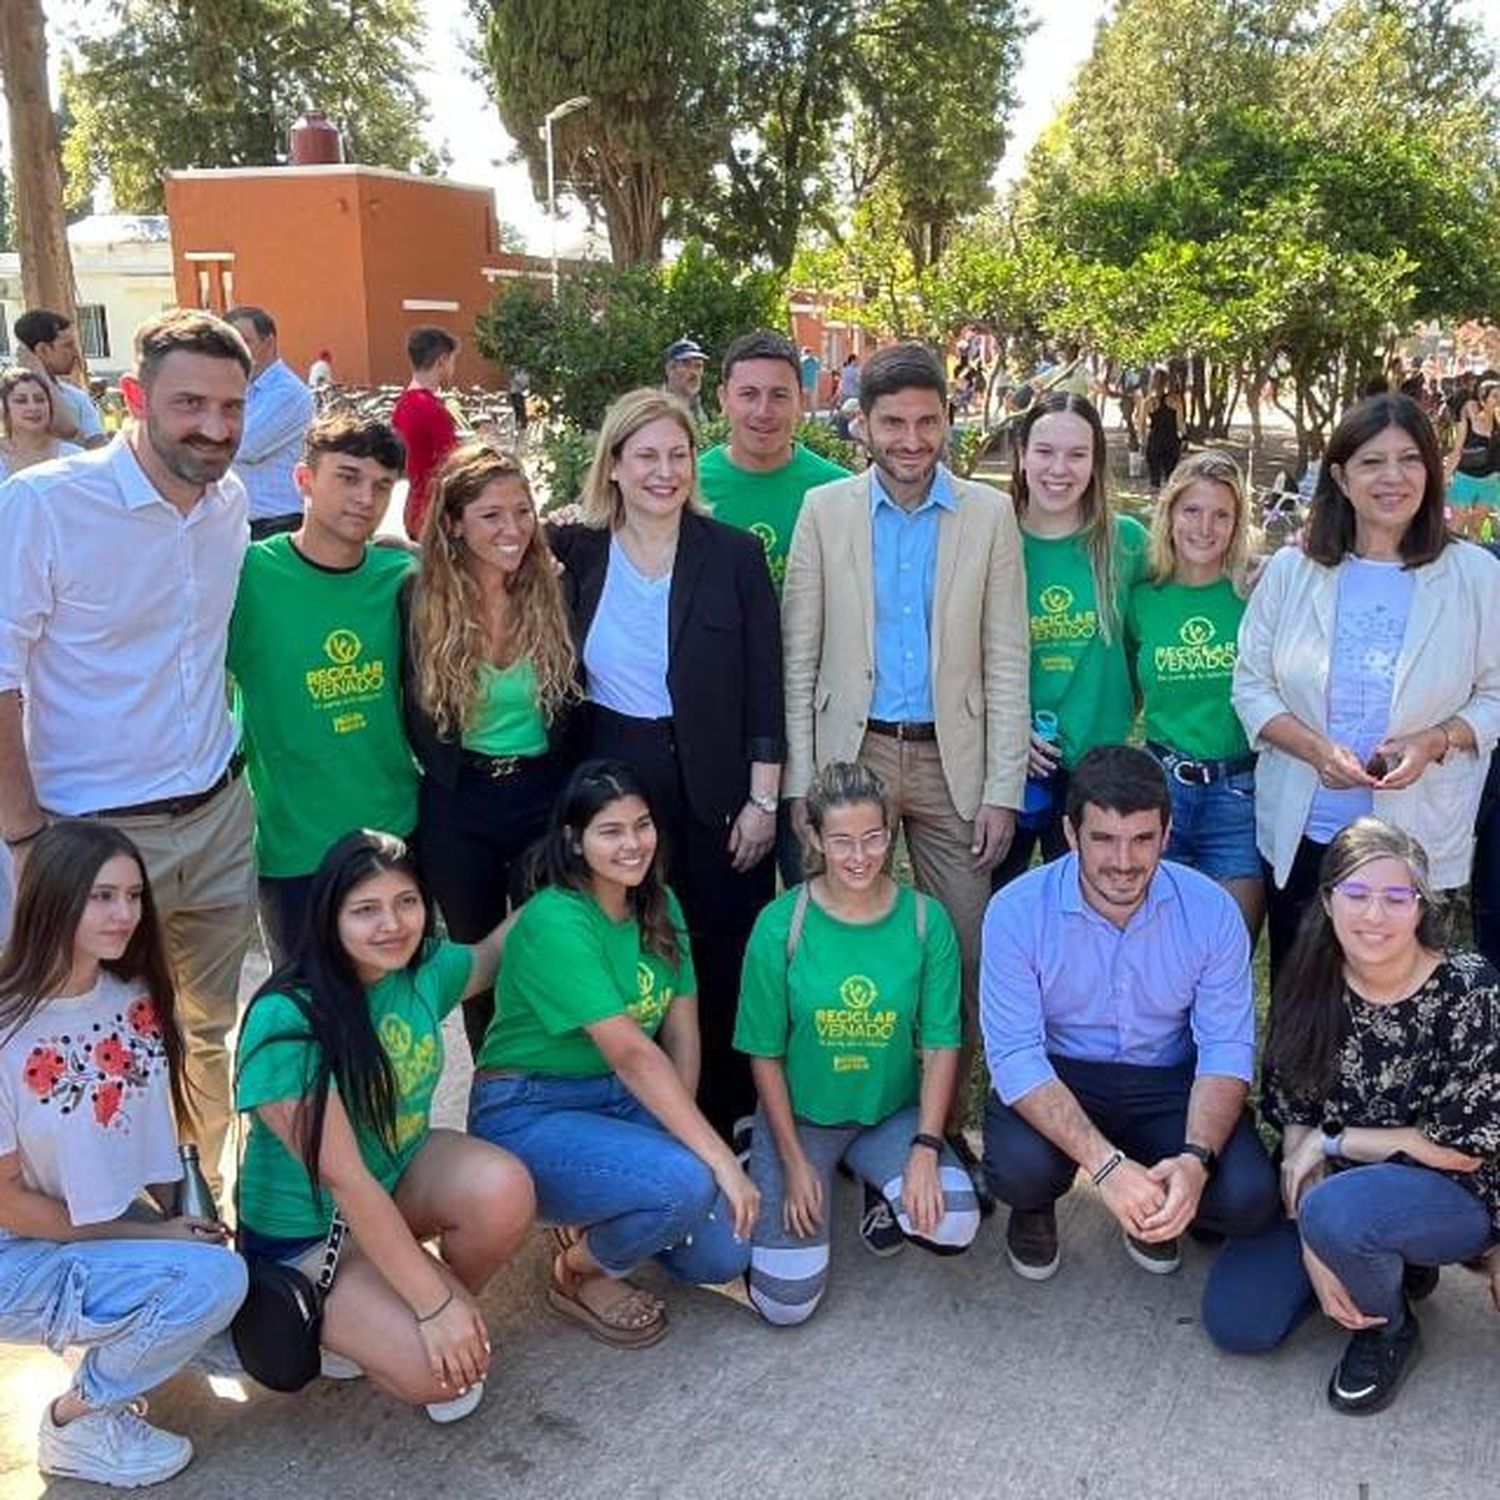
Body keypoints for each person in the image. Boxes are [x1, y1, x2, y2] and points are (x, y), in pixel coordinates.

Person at [0, 309, 258, 1188]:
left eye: (232, 406)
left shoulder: (230, 504)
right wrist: (28, 837)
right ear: (135, 398)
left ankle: (202, 1197)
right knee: (95, 1037)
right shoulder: (44, 506)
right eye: (190, 403)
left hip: (218, 816)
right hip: (93, 834)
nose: (214, 427)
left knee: (206, 1030)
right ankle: (111, 1220)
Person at [782, 339, 1030, 1206]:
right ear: (864, 424)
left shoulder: (990, 517)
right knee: (841, 948)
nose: (912, 438)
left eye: (928, 421)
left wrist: (1003, 786)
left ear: (947, 423)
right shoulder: (825, 511)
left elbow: (1007, 657)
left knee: (959, 953)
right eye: (894, 421)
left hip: (954, 764)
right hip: (852, 760)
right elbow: (800, 658)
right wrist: (801, 791)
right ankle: (850, 1121)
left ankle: (943, 1129)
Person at [1202, 819, 1500, 1414]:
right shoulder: (1308, 981)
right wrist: (1314, 1239)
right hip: (1336, 1197)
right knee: (1240, 1321)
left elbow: (1463, 1148)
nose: (1374, 916)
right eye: (1357, 895)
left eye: (1397, 897)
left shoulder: (1471, 990)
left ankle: (1385, 1328)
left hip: (1455, 1190)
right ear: (1329, 900)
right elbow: (1294, 1121)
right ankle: (1379, 1260)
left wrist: (1334, 1141)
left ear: (1422, 906)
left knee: (1343, 1210)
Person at [235, 830, 533, 1421]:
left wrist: (563, 890)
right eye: (365, 910)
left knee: (504, 1190)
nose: (391, 925)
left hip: (395, 1183)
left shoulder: (420, 971)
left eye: (406, 902)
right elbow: (344, 1179)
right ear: (329, 916)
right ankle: (369, 1317)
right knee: (443, 1379)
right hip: (309, 1237)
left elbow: (490, 957)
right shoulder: (286, 1020)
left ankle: (400, 1299)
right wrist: (432, 1305)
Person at [550, 389, 783, 1140]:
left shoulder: (733, 554)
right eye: (646, 455)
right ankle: (644, 1114)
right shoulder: (574, 551)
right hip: (618, 774)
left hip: (719, 787)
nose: (665, 471)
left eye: (678, 455)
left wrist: (763, 800)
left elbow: (764, 683)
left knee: (721, 951)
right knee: (631, 945)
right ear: (613, 465)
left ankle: (731, 1115)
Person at [468, 760, 758, 1348]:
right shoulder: (557, 919)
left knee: (726, 1251)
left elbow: (682, 1035)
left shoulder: (660, 904)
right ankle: (579, 1270)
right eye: (611, 831)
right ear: (575, 840)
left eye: (642, 825)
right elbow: (631, 1052)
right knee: (688, 1182)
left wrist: (687, 1143)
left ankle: (606, 1208)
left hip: (615, 1099)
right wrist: (719, 1161)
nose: (633, 844)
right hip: (529, 1107)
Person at [0, 822, 247, 1488]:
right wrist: (167, 1243)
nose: (126, 914)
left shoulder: (133, 998)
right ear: (53, 899)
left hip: (84, 1229)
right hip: (12, 1255)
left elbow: (152, 1140)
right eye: (102, 897)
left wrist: (186, 1226)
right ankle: (77, 1422)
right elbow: (14, 1207)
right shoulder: (5, 1032)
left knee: (217, 1282)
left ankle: (138, 1324)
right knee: (215, 1286)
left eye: (134, 895)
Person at [981, 745, 1278, 1282]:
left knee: (1246, 1198)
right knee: (1019, 1170)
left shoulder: (1212, 911)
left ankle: (1163, 1193)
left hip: (1166, 1080)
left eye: (1143, 839)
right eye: (1104, 840)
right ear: (1071, 835)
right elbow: (1016, 1057)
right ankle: (1039, 1206)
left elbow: (1226, 1051)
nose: (1123, 862)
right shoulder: (1015, 912)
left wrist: (1195, 1159)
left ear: (1167, 835)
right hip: (1062, 1071)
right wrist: (1107, 1169)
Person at [1233, 391, 1500, 982]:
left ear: (1433, 471)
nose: (1393, 477)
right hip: (1309, 828)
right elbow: (1251, 686)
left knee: (1402, 1008)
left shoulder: (1475, 576)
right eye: (1372, 462)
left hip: (1416, 834)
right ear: (1340, 476)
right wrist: (1314, 749)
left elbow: (1496, 694)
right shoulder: (1293, 571)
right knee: (1303, 998)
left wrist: (1436, 739)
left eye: (1410, 459)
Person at [736, 761, 979, 1323]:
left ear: (890, 832)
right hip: (800, 1119)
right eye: (841, 841)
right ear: (814, 838)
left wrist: (925, 1146)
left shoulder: (925, 920)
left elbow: (943, 1042)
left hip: (886, 1115)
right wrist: (794, 1163)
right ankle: (764, 1154)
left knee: (954, 1220)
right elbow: (764, 1054)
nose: (860, 856)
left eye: (873, 838)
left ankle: (879, 1182)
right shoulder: (781, 924)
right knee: (785, 1305)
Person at [405, 444, 578, 1055]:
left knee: (547, 950)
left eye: (523, 512)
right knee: (475, 963)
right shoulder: (417, 600)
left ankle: (548, 1083)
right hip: (461, 800)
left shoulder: (556, 589)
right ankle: (493, 1086)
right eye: (491, 516)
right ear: (454, 523)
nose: (513, 530)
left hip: (541, 794)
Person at [228, 412, 415, 966]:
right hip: (295, 845)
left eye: (382, 485)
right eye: (348, 477)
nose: (366, 497)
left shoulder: (400, 578)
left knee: (396, 1018)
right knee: (306, 1020)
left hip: (395, 832)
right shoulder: (247, 576)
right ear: (304, 481)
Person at [698, 330, 850, 885]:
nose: (764, 410)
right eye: (749, 394)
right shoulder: (688, 485)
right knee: (725, 894)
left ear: (802, 401)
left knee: (814, 885)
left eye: (780, 395)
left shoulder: (837, 493)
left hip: (812, 719)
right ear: (723, 399)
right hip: (719, 719)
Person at [993, 391, 1149, 886]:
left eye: (1077, 454)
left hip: (1096, 766)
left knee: (1089, 912)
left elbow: (1167, 624)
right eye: (1044, 452)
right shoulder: (992, 539)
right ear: (1021, 454)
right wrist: (1011, 725)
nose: (1059, 469)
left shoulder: (1126, 543)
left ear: (1096, 462)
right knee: (1000, 903)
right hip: (1008, 759)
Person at [1127, 450, 1262, 935]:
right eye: (1192, 511)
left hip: (1240, 793)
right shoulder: (1142, 598)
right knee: (1159, 953)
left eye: (1221, 514)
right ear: (1170, 515)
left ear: (1237, 523)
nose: (1204, 527)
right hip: (1164, 789)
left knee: (1229, 949)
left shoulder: (1257, 596)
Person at [225, 305, 317, 540]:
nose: (235, 351)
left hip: (276, 523)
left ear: (269, 343)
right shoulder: (238, 389)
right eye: (229, 343)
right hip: (241, 521)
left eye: (245, 341)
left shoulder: (288, 393)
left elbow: (245, 446)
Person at [393, 325, 461, 539]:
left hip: (413, 506)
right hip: (434, 512)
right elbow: (454, 464)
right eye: (452, 360)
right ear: (442, 360)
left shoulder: (402, 404)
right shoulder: (432, 409)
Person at [11, 309, 108, 450]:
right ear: (42, 349)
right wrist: (39, 375)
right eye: (68, 345)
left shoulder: (77, 397)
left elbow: (98, 445)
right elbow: (66, 427)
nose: (75, 353)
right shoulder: (8, 397)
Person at [1444, 377, 1499, 540]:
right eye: (1495, 396)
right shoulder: (1468, 418)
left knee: (1476, 527)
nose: (1498, 401)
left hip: (1489, 482)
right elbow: (1457, 450)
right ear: (1483, 399)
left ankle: (1473, 561)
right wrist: (1444, 478)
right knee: (1456, 528)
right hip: (1465, 478)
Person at [0, 367, 81, 479]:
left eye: (40, 400)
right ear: (4, 407)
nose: (33, 408)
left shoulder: (73, 457)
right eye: (21, 401)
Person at [1142, 367, 1185, 489]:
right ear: (1167, 382)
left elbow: (1142, 424)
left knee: (1154, 480)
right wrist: (1184, 438)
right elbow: (1180, 422)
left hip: (1155, 439)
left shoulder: (1148, 402)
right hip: (1171, 440)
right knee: (1170, 480)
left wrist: (1143, 440)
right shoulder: (1175, 400)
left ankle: (1152, 505)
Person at [662, 336, 708, 424]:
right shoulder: (654, 407)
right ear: (669, 369)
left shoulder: (699, 411)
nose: (694, 373)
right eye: (687, 365)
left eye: (698, 366)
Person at [799, 345, 822, 413]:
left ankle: (803, 416)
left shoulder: (802, 360)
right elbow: (818, 368)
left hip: (804, 383)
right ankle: (812, 416)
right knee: (812, 402)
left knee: (804, 401)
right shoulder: (814, 360)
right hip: (812, 383)